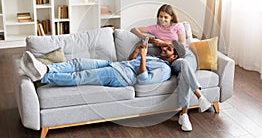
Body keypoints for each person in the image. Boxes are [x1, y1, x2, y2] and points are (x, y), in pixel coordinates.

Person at [131, 4, 211, 132]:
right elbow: (133, 29)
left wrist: (164, 43)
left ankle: (184, 115)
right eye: (160, 17)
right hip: (173, 61)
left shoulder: (178, 27)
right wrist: (146, 38)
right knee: (183, 66)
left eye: (165, 17)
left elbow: (182, 47)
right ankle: (200, 97)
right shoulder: (156, 28)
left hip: (186, 56)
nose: (162, 20)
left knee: (183, 73)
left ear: (171, 17)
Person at [20, 42, 181, 87]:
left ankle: (45, 76)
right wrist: (138, 52)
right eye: (165, 46)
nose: (164, 48)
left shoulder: (165, 69)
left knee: (80, 76)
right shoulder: (157, 59)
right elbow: (130, 61)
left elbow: (143, 79)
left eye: (169, 49)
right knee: (78, 62)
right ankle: (46, 68)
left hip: (121, 76)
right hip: (117, 65)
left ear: (174, 57)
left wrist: (144, 57)